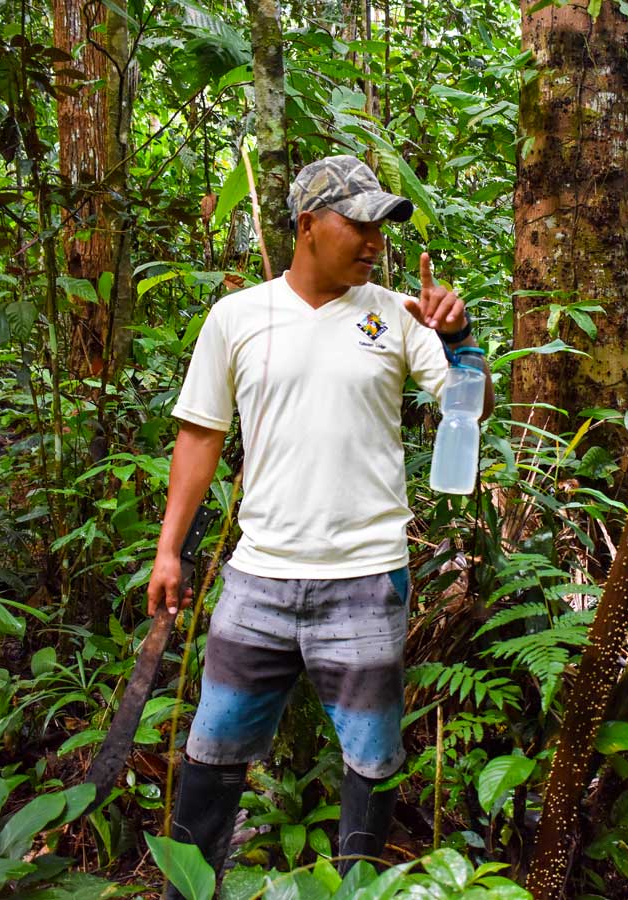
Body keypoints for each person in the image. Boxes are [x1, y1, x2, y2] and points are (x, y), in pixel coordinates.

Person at [145, 155, 493, 890]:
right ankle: (190, 888)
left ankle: (358, 884)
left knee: (371, 758)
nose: (373, 241)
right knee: (213, 751)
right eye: (357, 224)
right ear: (307, 226)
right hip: (260, 577)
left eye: (380, 228)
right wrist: (169, 549)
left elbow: (471, 406)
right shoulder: (237, 317)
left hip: (366, 579)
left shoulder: (398, 315)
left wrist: (460, 339)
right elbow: (200, 436)